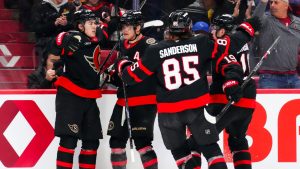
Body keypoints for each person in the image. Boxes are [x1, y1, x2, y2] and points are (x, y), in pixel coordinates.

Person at [117, 11, 260, 169]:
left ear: (169, 29)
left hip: (169, 115)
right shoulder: (202, 42)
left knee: (183, 156)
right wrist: (232, 80)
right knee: (212, 151)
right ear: (189, 27)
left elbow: (129, 77)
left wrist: (122, 63)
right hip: (195, 111)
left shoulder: (155, 50)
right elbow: (227, 60)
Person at [50, 9, 106, 169]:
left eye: (95, 23)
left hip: (90, 97)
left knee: (91, 142)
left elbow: (107, 31)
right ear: (81, 26)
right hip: (70, 96)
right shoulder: (74, 37)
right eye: (90, 23)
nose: (94, 26)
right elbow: (56, 46)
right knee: (68, 140)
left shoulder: (96, 36)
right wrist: (60, 36)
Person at [107, 10, 158, 169]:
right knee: (115, 142)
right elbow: (119, 74)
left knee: (142, 143)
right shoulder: (121, 45)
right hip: (123, 101)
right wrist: (113, 74)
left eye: (129, 26)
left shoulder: (150, 44)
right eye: (123, 26)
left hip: (144, 102)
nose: (125, 30)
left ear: (138, 28)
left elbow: (147, 71)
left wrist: (126, 68)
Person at [207, 14, 256, 169]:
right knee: (237, 140)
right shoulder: (240, 40)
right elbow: (246, 31)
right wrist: (251, 24)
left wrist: (230, 82)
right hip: (248, 98)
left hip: (227, 96)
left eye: (215, 28)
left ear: (223, 31)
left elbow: (231, 66)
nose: (212, 31)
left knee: (203, 138)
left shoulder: (222, 42)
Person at [252, 0, 300, 88]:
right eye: (271, 3)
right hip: (270, 78)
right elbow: (254, 21)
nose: (272, 5)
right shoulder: (266, 20)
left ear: (286, 6)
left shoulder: (297, 22)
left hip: (294, 77)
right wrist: (263, 3)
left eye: (276, 2)